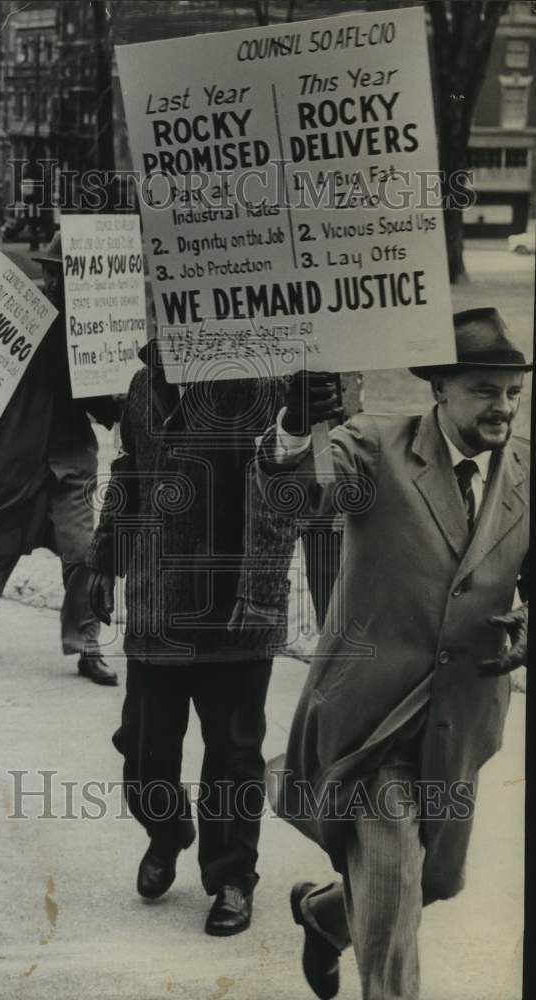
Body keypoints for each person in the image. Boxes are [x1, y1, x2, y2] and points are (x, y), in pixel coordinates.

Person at [255, 308, 530, 999]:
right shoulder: (376, 444)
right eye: (483, 390)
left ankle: (324, 915)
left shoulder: (527, 472)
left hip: (460, 718)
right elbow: (301, 495)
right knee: (392, 907)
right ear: (439, 388)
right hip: (373, 718)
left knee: (432, 879)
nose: (501, 406)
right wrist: (296, 427)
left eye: (512, 392)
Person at [86, 338, 298, 936]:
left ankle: (232, 876)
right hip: (157, 601)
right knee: (142, 750)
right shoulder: (143, 382)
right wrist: (105, 557)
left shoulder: (265, 376)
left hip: (235, 605)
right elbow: (129, 468)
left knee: (233, 754)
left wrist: (306, 404)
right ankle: (168, 828)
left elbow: (284, 474)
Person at [0, 233, 121, 684]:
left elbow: (102, 405)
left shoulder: (93, 329)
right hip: (15, 455)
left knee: (83, 551)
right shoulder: (20, 318)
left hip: (70, 460)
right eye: (52, 273)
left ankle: (87, 645)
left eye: (65, 275)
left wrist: (118, 395)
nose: (55, 283)